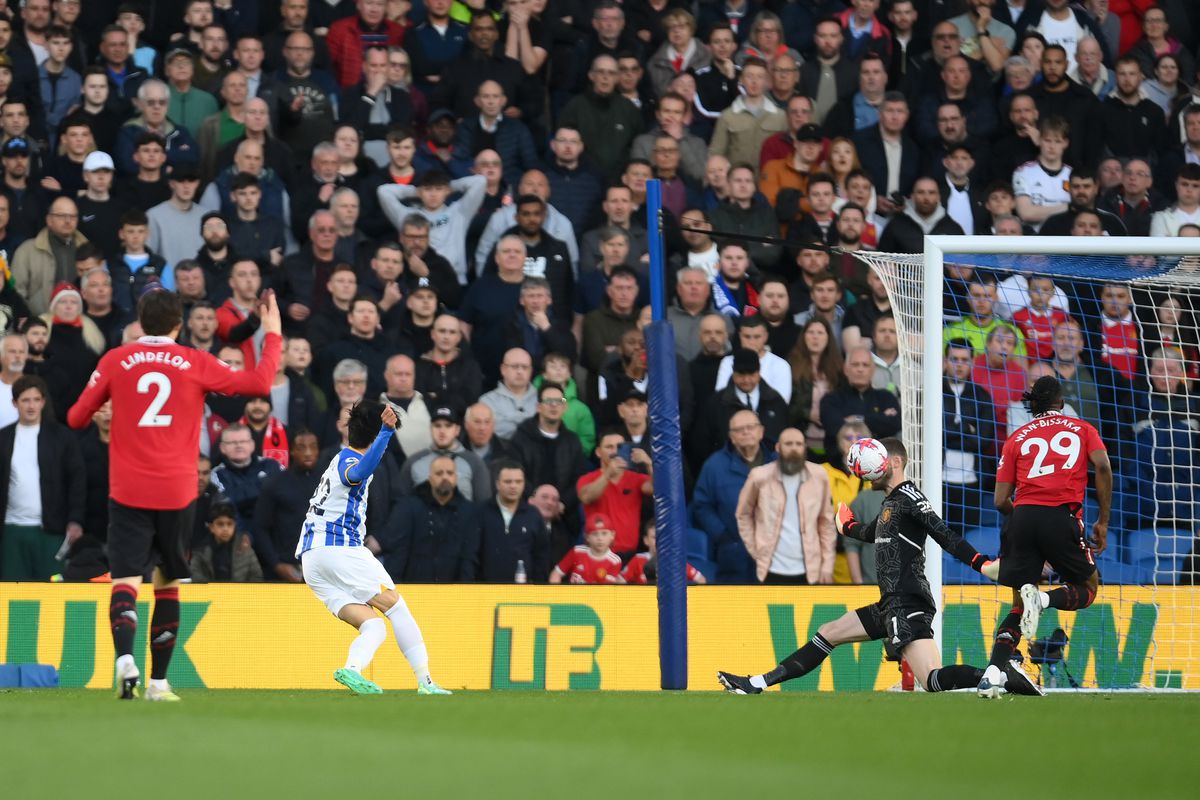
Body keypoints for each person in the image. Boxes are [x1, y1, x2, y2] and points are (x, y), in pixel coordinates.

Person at [66, 288, 283, 701]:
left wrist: (107, 406)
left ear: (140, 321)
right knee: (167, 583)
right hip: (178, 490)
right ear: (179, 325)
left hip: (128, 488)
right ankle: (159, 683)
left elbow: (76, 416)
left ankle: (125, 659)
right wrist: (271, 334)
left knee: (126, 578)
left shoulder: (116, 359)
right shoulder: (194, 361)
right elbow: (259, 382)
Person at [718, 437, 1041, 697]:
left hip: (907, 601)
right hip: (890, 602)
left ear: (893, 462)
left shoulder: (911, 497)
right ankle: (756, 683)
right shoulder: (892, 502)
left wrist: (982, 564)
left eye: (867, 466)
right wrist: (849, 528)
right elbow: (873, 532)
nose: (861, 474)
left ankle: (997, 674)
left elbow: (943, 532)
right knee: (828, 633)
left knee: (931, 680)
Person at [297, 399, 452, 695]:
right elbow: (359, 473)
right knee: (398, 608)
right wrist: (386, 432)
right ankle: (426, 682)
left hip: (313, 561)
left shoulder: (338, 459)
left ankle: (351, 670)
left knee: (373, 625)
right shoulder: (349, 461)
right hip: (338, 549)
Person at [977, 375, 1111, 698]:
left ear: (1032, 405)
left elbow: (998, 501)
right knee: (1090, 587)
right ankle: (1046, 599)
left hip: (1021, 517)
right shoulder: (1082, 429)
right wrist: (1103, 521)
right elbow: (1103, 466)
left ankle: (992, 675)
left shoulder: (1017, 437)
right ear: (1061, 404)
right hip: (1061, 515)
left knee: (1018, 603)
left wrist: (1026, 519)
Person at [0, 375, 86, 580]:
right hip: (12, 530)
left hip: (51, 531)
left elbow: (77, 481)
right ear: (15, 403)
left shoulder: (63, 438)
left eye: (36, 400)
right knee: (12, 595)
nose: (31, 406)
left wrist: (75, 520)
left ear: (43, 402)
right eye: (25, 400)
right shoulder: (3, 438)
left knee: (51, 597)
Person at [735, 427, 835, 585]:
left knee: (805, 610)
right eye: (788, 444)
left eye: (799, 444)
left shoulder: (819, 475)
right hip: (771, 568)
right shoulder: (759, 476)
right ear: (778, 447)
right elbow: (743, 514)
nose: (794, 448)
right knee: (775, 610)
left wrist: (827, 565)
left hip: (810, 569)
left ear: (804, 448)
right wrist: (756, 550)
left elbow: (826, 522)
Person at [477, 459, 548, 583]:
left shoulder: (533, 515)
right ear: (497, 484)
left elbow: (541, 557)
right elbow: (472, 555)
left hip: (523, 593)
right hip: (486, 592)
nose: (513, 486)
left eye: (518, 482)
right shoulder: (481, 512)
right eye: (508, 482)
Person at [189, 501, 263, 583]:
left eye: (229, 524)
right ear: (211, 527)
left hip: (240, 594)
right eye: (220, 524)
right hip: (210, 595)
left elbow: (257, 577)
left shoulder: (245, 549)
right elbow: (196, 578)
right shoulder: (200, 552)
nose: (225, 529)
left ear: (234, 525)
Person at [549, 513, 624, 584]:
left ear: (612, 535)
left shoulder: (615, 561)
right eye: (595, 534)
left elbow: (607, 591)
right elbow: (556, 574)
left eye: (604, 533)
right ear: (587, 537)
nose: (600, 538)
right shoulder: (577, 552)